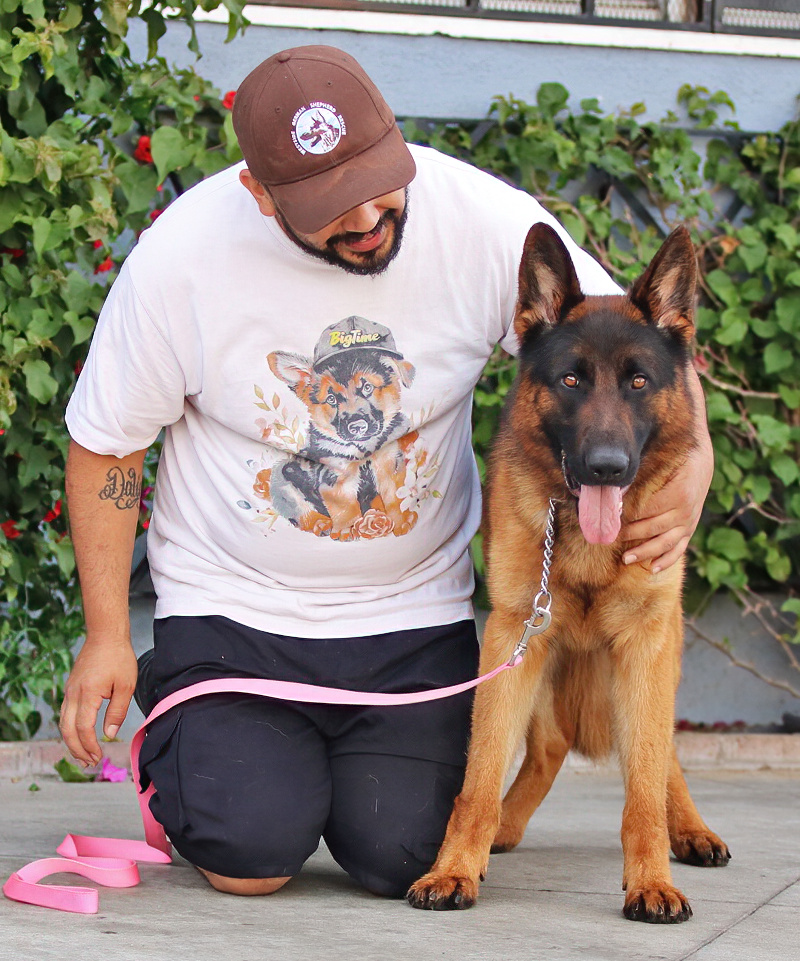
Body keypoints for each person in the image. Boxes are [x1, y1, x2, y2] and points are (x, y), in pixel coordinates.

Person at [61, 45, 713, 899]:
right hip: (234, 613)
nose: (368, 215)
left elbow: (638, 337)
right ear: (260, 192)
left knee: (405, 853)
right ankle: (199, 744)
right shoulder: (179, 259)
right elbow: (106, 444)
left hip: (410, 622)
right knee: (248, 853)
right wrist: (107, 634)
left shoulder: (481, 220)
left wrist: (695, 464)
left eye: (378, 179)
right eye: (330, 203)